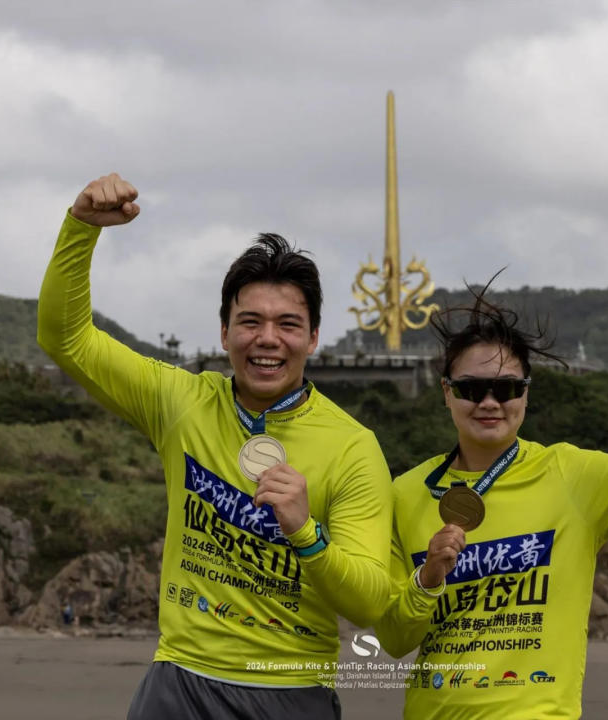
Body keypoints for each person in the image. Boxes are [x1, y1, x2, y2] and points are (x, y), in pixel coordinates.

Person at [38, 173, 392, 719]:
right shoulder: (180, 402)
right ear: (224, 331)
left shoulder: (353, 448)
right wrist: (82, 228)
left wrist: (306, 533)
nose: (268, 339)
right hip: (179, 682)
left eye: (288, 324)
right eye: (249, 321)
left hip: (291, 690)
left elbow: (369, 602)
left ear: (314, 337)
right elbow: (66, 338)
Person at [374, 282, 608, 719]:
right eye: (472, 388)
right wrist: (428, 578)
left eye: (507, 388)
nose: (490, 402)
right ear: (447, 392)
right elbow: (395, 639)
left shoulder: (572, 475)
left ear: (526, 393)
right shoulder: (404, 493)